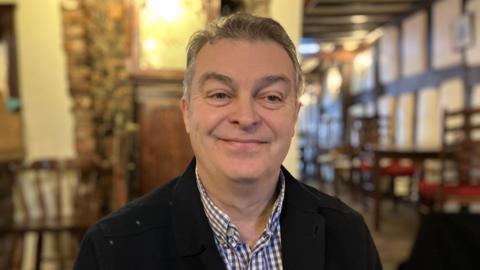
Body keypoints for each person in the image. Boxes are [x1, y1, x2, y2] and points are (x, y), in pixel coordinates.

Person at [74, 13, 381, 270]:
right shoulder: (114, 250)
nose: (245, 117)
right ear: (187, 112)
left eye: (271, 97)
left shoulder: (347, 234)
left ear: (294, 116)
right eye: (220, 94)